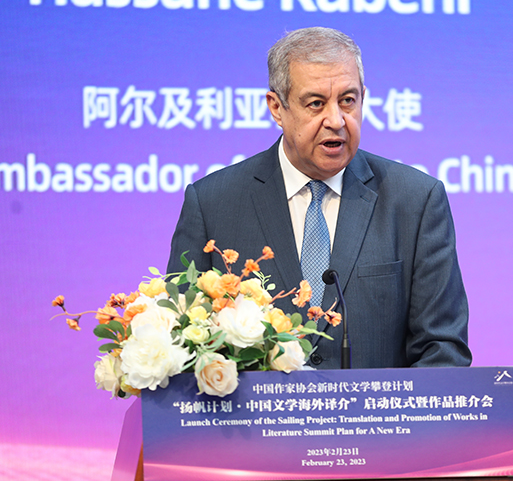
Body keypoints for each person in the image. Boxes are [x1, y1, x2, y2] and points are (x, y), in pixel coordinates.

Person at [167, 27, 471, 369]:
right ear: (276, 108)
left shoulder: (415, 201)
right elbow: (184, 342)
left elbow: (443, 351)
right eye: (316, 104)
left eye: (348, 100)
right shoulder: (213, 203)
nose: (337, 120)